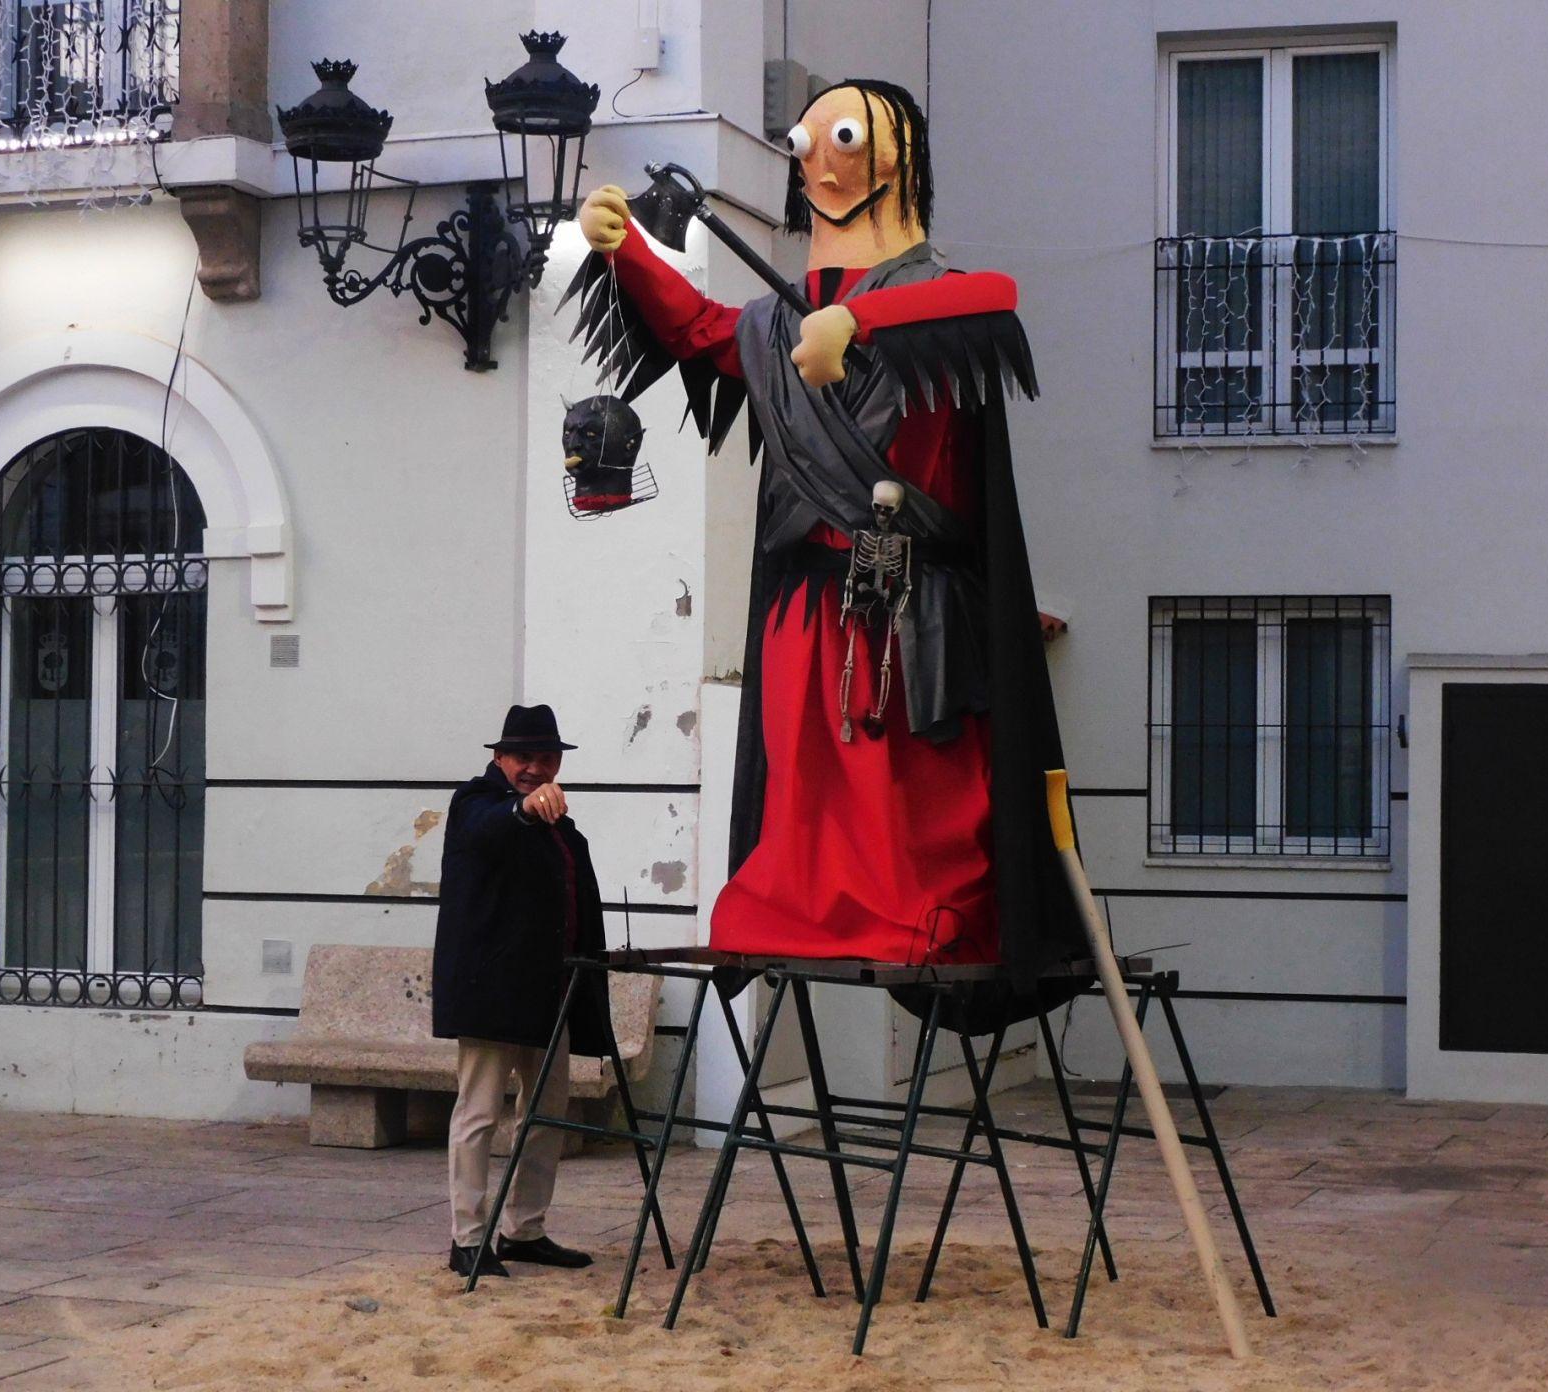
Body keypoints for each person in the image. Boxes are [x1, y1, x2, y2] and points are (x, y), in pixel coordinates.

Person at [569, 79, 1086, 985]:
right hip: (808, 596)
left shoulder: (943, 293)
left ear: (897, 160)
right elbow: (700, 328)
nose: (822, 158)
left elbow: (990, 302)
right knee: (804, 781)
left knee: (903, 783)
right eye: (810, 141)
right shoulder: (773, 326)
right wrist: (631, 255)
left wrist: (860, 317)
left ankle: (923, 916)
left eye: (844, 138)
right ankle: (795, 909)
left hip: (912, 600)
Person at [431, 704, 609, 1277]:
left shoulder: (560, 826)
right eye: (523, 757)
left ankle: (524, 1230)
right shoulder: (476, 803)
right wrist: (525, 809)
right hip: (492, 994)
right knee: (479, 1113)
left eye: (545, 757)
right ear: (498, 758)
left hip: (547, 992)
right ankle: (467, 1239)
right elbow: (489, 827)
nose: (535, 767)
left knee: (547, 1113)